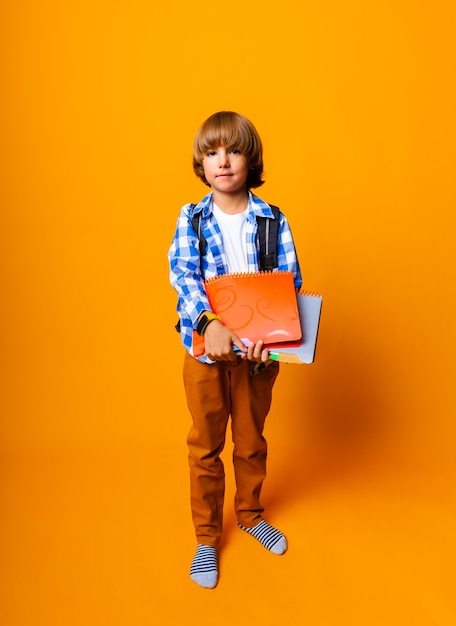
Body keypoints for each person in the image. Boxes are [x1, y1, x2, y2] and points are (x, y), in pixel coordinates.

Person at [168, 111, 302, 589]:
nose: (222, 161)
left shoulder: (273, 220)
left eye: (233, 150)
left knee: (250, 440)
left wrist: (275, 342)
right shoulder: (193, 218)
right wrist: (209, 322)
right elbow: (183, 275)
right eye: (211, 152)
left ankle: (250, 514)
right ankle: (207, 537)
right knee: (206, 445)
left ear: (251, 158)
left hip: (258, 358)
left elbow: (289, 283)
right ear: (201, 164)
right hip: (205, 352)